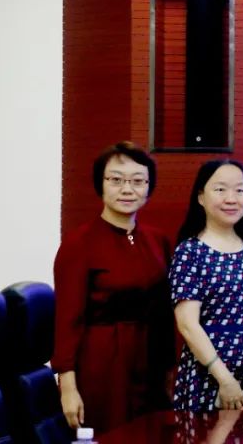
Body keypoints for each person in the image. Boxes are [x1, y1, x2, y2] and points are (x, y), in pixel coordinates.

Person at [52, 141, 174, 432]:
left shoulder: (158, 241)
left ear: (149, 187)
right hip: (103, 364)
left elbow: (166, 312)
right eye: (116, 180)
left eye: (137, 181)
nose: (127, 189)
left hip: (151, 362)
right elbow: (67, 321)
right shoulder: (78, 243)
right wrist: (67, 386)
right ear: (101, 184)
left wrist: (171, 368)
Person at [170, 160, 243, 412]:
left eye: (239, 190)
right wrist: (224, 379)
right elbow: (187, 324)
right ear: (201, 197)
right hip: (207, 376)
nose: (231, 199)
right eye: (220, 190)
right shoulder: (190, 252)